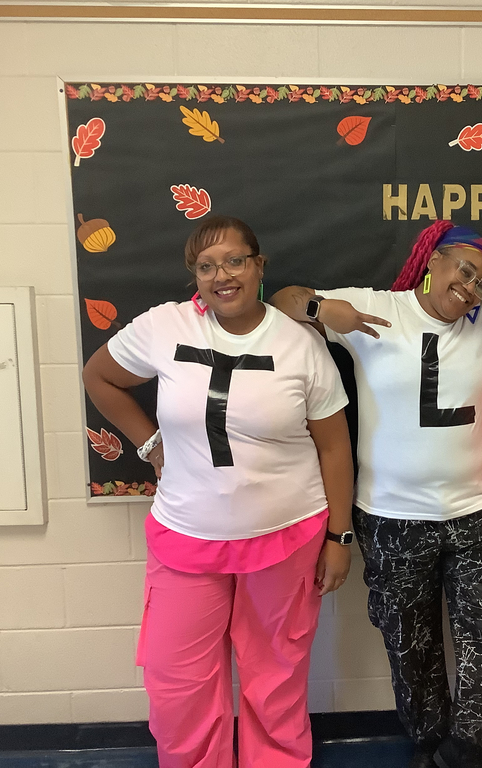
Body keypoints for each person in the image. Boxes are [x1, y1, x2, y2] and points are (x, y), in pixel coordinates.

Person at [270, 220, 482, 768]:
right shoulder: (373, 307)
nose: (471, 287)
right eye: (464, 271)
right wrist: (320, 312)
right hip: (390, 516)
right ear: (432, 260)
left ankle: (464, 750)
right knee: (412, 648)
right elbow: (283, 299)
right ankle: (429, 746)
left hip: (473, 512)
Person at [82, 215, 355, 768]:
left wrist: (339, 537)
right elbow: (98, 377)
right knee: (176, 682)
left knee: (275, 678)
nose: (221, 275)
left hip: (286, 534)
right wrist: (150, 442)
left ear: (259, 265)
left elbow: (335, 448)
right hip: (187, 533)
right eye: (206, 266)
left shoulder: (299, 344)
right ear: (194, 276)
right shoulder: (164, 326)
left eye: (234, 260)